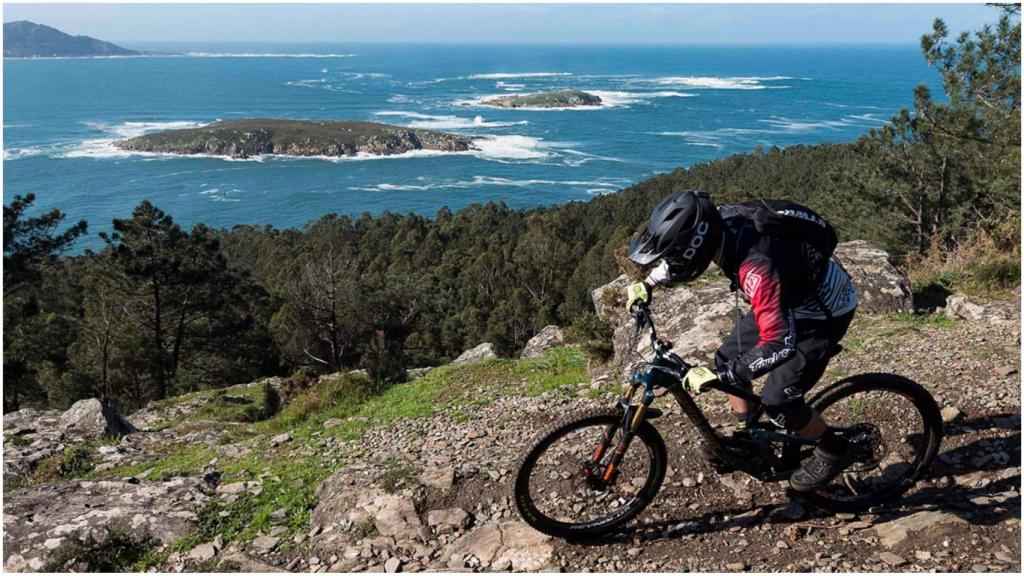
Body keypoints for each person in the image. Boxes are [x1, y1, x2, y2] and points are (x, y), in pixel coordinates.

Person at [623, 190, 858, 491]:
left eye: (677, 253)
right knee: (727, 355)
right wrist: (648, 283)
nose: (674, 260)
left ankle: (833, 449)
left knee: (779, 401)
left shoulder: (757, 267)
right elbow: (685, 253)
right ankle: (746, 437)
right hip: (786, 299)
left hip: (822, 312)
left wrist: (724, 376)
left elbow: (781, 343)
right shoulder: (718, 221)